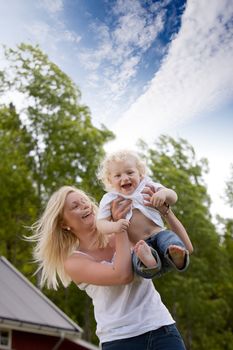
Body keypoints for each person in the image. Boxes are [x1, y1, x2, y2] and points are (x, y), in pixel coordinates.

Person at [30, 185, 187, 349]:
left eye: (84, 201)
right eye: (75, 206)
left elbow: (183, 247)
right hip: (120, 340)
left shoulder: (123, 229)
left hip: (161, 328)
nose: (84, 206)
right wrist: (119, 227)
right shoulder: (74, 262)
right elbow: (122, 275)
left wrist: (166, 212)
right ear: (63, 223)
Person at [97, 149, 193, 279]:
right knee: (137, 257)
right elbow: (101, 224)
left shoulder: (147, 185)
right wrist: (115, 226)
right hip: (140, 244)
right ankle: (149, 262)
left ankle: (176, 256)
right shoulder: (110, 198)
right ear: (109, 180)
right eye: (117, 175)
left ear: (140, 173)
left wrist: (163, 194)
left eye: (130, 172)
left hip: (159, 235)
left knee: (170, 239)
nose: (125, 178)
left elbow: (173, 196)